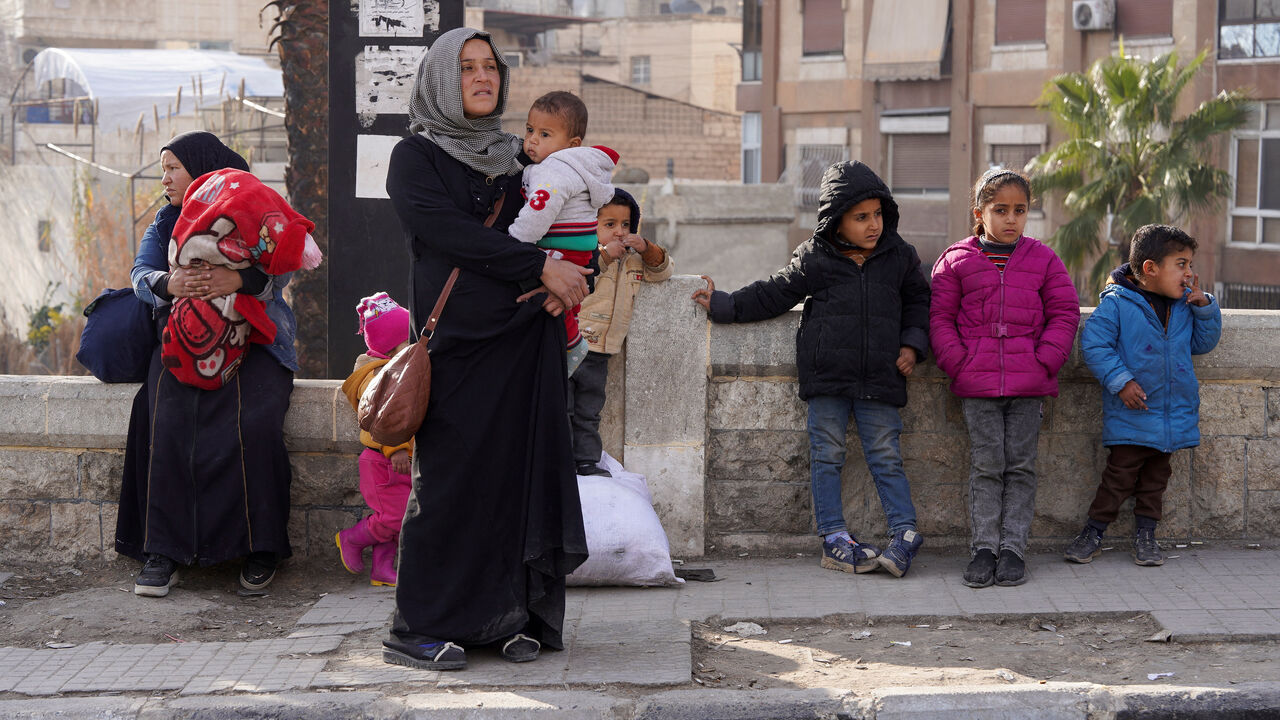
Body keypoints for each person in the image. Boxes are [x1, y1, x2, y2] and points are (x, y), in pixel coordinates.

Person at [382, 27, 590, 671]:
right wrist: (539, 265)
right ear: (442, 80)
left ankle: (506, 618)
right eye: (467, 67)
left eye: (491, 67)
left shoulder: (520, 155)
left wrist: (572, 276)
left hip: (525, 340)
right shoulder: (414, 156)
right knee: (449, 482)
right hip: (459, 344)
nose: (482, 77)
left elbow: (578, 217)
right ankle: (419, 625)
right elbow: (447, 233)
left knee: (514, 480)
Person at [692, 160, 931, 578]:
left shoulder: (900, 257)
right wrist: (725, 304)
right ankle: (834, 537)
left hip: (881, 376)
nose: (873, 225)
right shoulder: (815, 257)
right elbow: (773, 293)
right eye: (861, 217)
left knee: (885, 455)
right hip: (827, 377)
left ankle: (905, 533)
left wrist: (912, 344)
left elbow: (919, 302)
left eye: (877, 214)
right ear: (837, 221)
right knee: (827, 454)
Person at [115, 130, 299, 597]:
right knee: (166, 418)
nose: (165, 179)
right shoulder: (166, 221)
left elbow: (282, 267)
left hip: (254, 340)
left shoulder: (251, 207)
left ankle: (260, 547)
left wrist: (237, 279)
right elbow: (141, 274)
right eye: (163, 170)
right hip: (183, 341)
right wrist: (170, 284)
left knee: (256, 422)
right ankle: (163, 551)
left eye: (173, 168)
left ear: (203, 170)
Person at [929, 167, 1080, 589]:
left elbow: (1064, 312)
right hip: (977, 385)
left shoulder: (1044, 259)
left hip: (1028, 384)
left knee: (1021, 467)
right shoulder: (955, 260)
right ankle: (984, 549)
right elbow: (940, 318)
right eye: (1001, 210)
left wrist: (1045, 360)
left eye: (1020, 210)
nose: (1011, 219)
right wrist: (960, 363)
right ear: (980, 213)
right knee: (986, 466)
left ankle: (1013, 549)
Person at [1065, 225, 1221, 567]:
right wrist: (1121, 381)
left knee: (1155, 482)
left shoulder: (1185, 306)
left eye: (1190, 264)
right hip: (1134, 413)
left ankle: (1146, 536)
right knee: (1117, 479)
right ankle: (1093, 532)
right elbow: (1094, 344)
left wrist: (1205, 307)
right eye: (1180, 264)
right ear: (1150, 268)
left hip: (1170, 416)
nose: (1189, 273)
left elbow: (1202, 344)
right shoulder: (1117, 304)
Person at [507, 90, 619, 376]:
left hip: (560, 245)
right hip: (578, 247)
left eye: (545, 134)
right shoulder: (575, 167)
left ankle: (572, 344)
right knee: (567, 304)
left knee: (552, 299)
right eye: (530, 130)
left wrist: (514, 243)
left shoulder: (554, 170)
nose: (532, 140)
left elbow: (539, 211)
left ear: (572, 144)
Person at [570, 189, 672, 476]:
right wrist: (604, 256)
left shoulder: (632, 260)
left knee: (589, 410)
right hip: (572, 342)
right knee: (561, 407)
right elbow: (581, 273)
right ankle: (558, 460)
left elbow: (663, 270)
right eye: (609, 224)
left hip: (600, 351)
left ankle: (586, 461)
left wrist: (646, 247)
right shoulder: (583, 252)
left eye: (625, 225)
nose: (619, 232)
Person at [337, 292, 414, 587]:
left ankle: (382, 569)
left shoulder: (397, 369)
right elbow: (382, 415)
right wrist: (396, 449)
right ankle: (352, 539)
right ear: (391, 347)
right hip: (384, 459)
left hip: (399, 459)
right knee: (394, 517)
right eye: (407, 340)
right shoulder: (377, 377)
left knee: (394, 516)